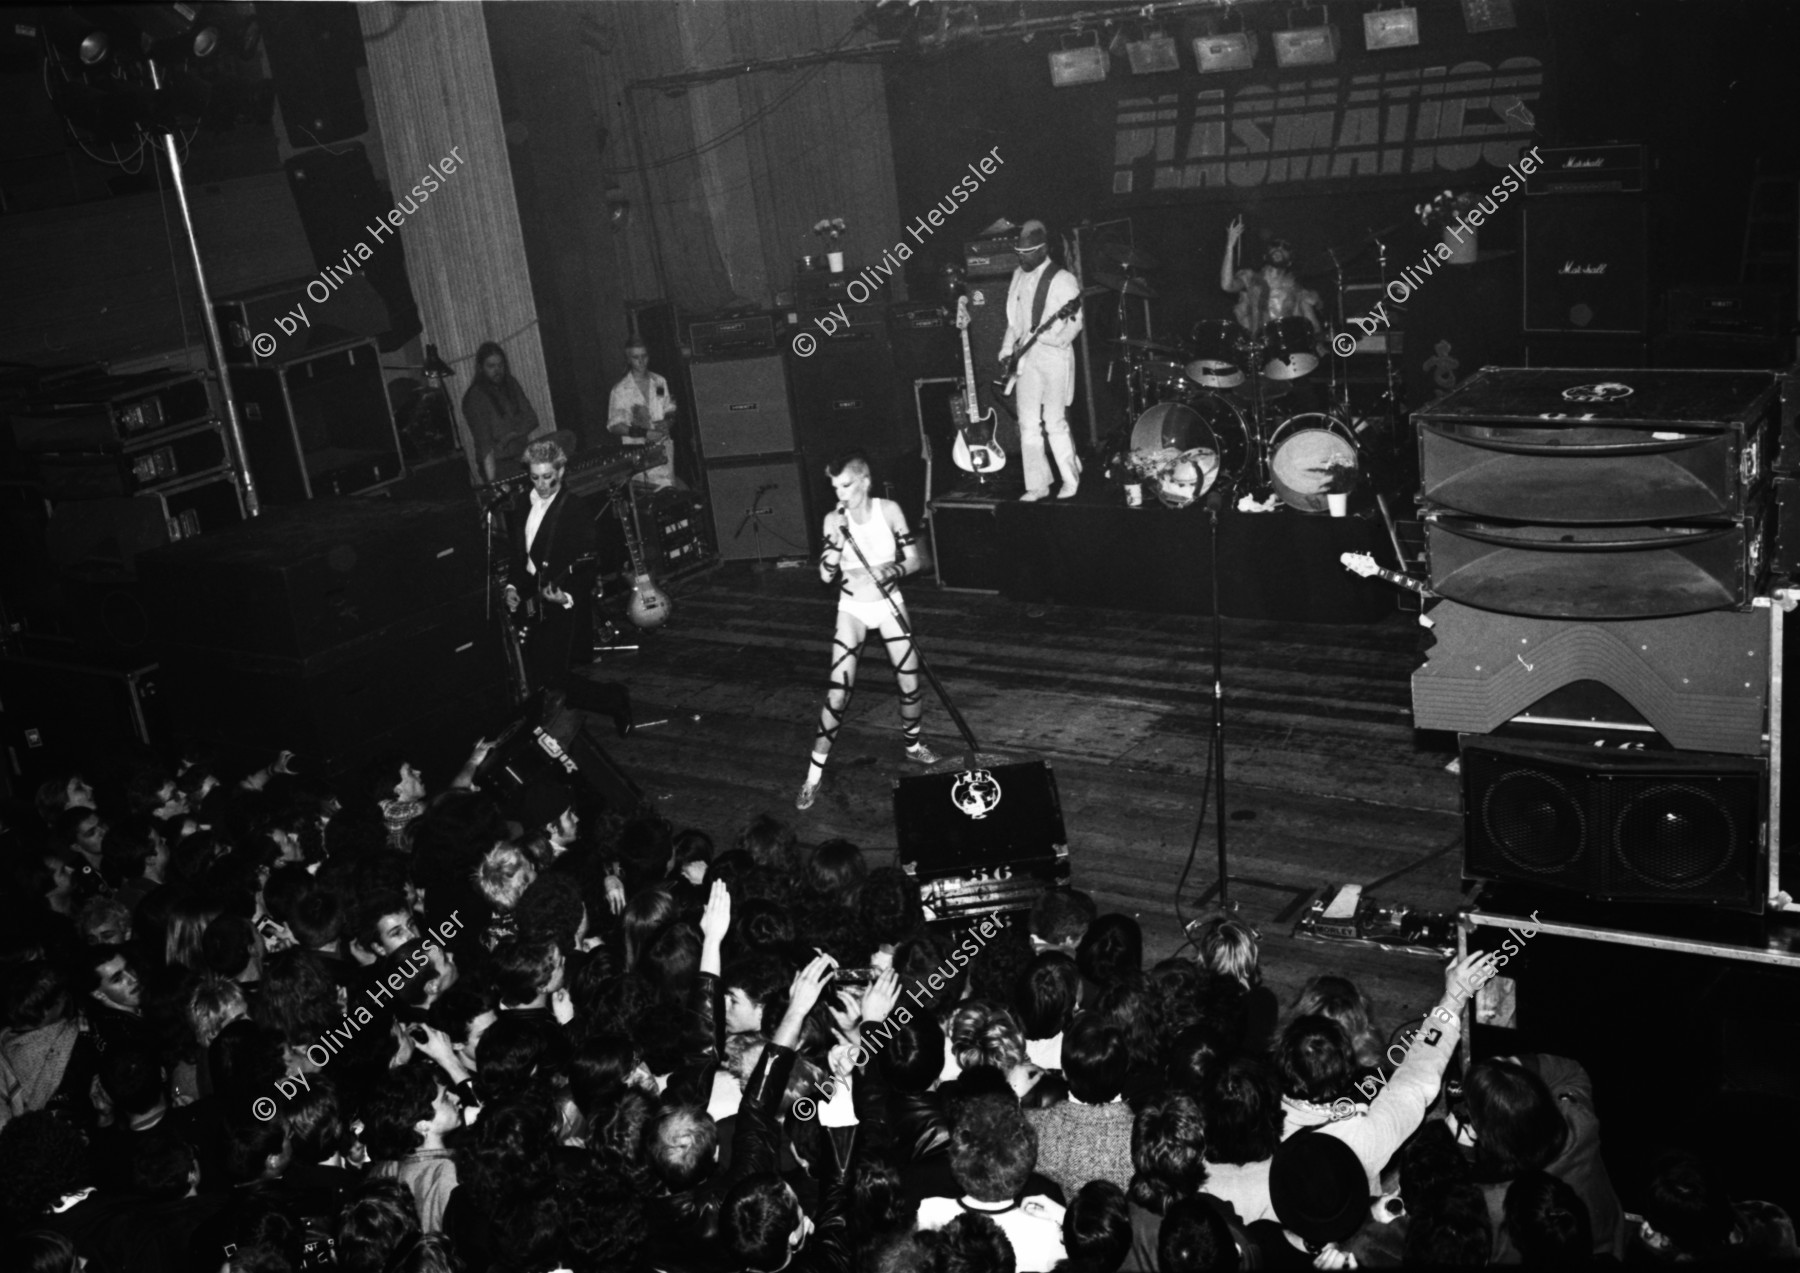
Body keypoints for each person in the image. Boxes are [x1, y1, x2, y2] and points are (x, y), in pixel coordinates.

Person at [796, 453, 938, 812]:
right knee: (838, 692)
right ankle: (812, 777)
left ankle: (913, 744)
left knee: (910, 682)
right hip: (853, 609)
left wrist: (892, 573)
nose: (839, 493)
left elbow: (915, 560)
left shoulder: (889, 510)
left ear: (864, 481)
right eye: (834, 487)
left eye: (845, 485)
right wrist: (836, 544)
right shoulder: (833, 519)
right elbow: (826, 576)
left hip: (889, 603)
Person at [503, 438, 600, 697]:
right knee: (537, 677)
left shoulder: (574, 508)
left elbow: (588, 562)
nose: (542, 485)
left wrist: (566, 596)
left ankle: (614, 700)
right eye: (535, 478)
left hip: (562, 605)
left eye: (548, 477)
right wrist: (511, 586)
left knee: (561, 679)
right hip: (531, 600)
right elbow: (518, 553)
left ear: (561, 471)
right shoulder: (523, 502)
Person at [999, 220, 1085, 501]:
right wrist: (1006, 351)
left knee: (1054, 420)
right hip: (1025, 358)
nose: (1021, 257)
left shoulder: (1062, 279)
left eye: (1027, 252)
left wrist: (1052, 338)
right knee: (1027, 423)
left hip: (1054, 358)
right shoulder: (1017, 276)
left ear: (1043, 249)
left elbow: (1075, 323)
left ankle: (1070, 479)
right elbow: (1014, 321)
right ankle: (1037, 484)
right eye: (1019, 252)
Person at [1219, 216, 1323, 342]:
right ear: (1265, 255)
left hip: (1284, 351)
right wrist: (1230, 246)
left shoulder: (1297, 291)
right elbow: (1226, 285)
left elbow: (1315, 328)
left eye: (1286, 247)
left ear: (1290, 262)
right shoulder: (1249, 277)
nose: (1279, 248)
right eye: (1275, 244)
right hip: (1253, 347)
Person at [605, 337, 681, 490]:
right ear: (628, 359)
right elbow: (614, 426)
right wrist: (643, 433)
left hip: (663, 451)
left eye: (644, 356)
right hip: (639, 455)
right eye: (635, 357)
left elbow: (669, 407)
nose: (641, 361)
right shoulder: (620, 390)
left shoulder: (659, 381)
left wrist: (668, 421)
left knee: (669, 492)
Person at [463, 341, 544, 483]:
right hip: (499, 465)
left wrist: (511, 435)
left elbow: (532, 418)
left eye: (500, 365)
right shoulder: (476, 397)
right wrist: (493, 483)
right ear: (481, 368)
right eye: (491, 366)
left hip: (521, 457)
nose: (497, 370)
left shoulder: (511, 384)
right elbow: (485, 445)